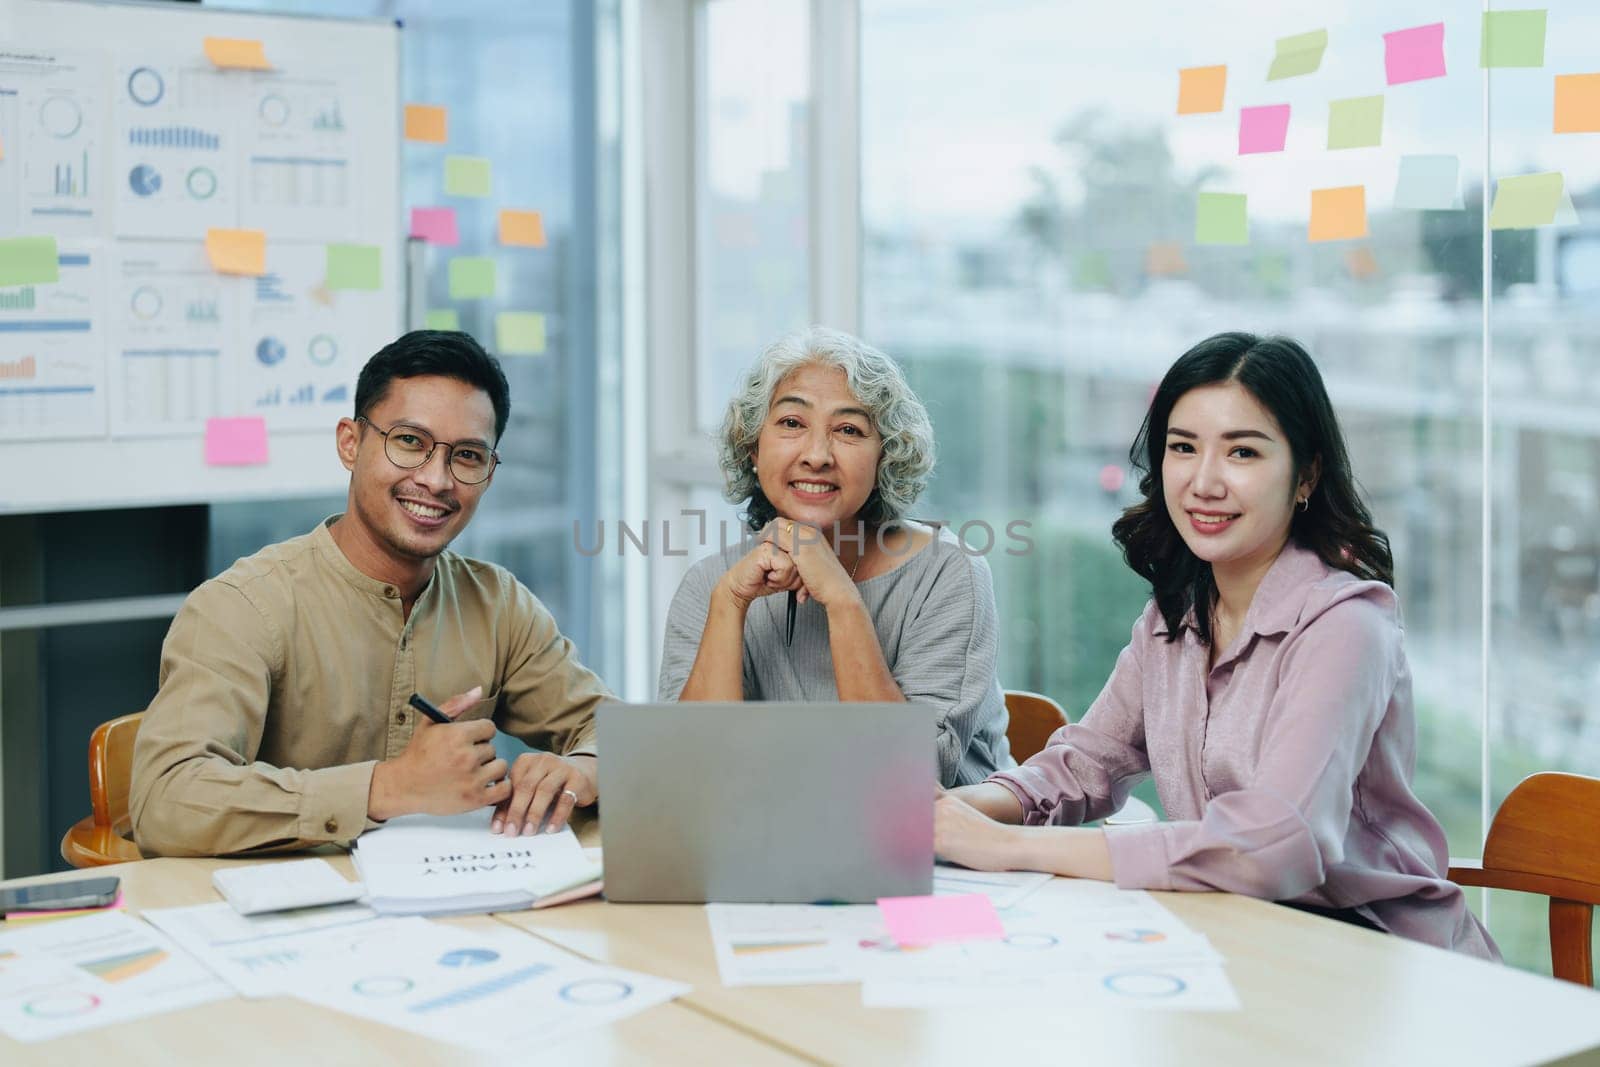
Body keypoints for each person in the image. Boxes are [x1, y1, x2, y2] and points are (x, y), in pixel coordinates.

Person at [933, 332, 1497, 959]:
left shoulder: (1346, 626)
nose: (1204, 482)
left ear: (1306, 473)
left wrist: (1004, 847)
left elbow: (1273, 847)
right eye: (1182, 448)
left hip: (1383, 960)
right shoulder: (1172, 621)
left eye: (1243, 453)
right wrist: (948, 814)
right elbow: (1082, 767)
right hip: (1244, 942)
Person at [130, 330, 610, 857]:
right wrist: (390, 787)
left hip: (454, 912)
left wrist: (584, 769)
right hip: (283, 921)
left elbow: (617, 732)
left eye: (468, 456)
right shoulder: (242, 607)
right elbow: (167, 801)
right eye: (409, 442)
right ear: (350, 444)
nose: (436, 479)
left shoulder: (499, 606)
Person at [658, 326, 1011, 786]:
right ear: (752, 448)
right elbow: (693, 777)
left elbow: (907, 782)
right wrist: (729, 604)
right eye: (791, 423)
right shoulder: (712, 583)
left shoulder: (949, 572)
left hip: (944, 851)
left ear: (887, 455)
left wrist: (843, 599)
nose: (817, 455)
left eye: (848, 430)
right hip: (770, 847)